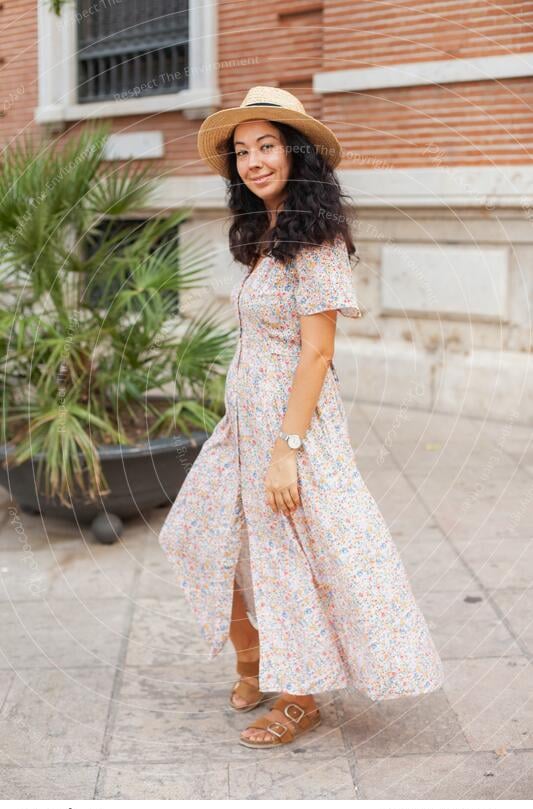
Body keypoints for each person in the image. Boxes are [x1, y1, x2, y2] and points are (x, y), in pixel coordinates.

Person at [158, 86, 444, 750]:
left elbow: (317, 351)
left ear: (295, 152)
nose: (254, 160)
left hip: (294, 427)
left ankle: (298, 695)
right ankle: (253, 655)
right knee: (193, 534)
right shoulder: (268, 230)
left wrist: (286, 446)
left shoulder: (313, 237)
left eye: (267, 145)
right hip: (245, 422)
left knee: (293, 555)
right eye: (242, 150)